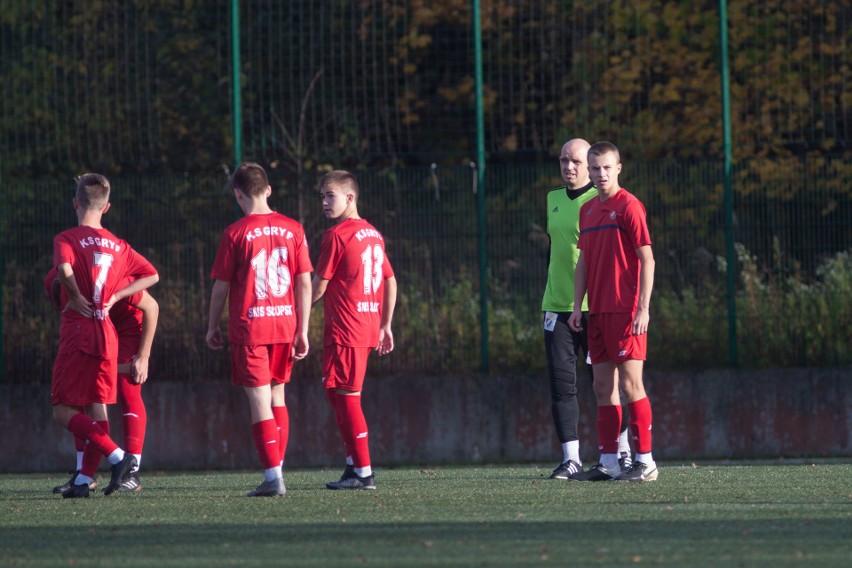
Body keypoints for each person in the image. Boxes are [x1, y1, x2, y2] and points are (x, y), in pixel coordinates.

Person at [206, 162, 312, 497]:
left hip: (251, 327)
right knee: (278, 396)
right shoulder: (294, 228)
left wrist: (212, 325)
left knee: (259, 400)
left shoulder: (235, 233)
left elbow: (221, 286)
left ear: (237, 194)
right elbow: (304, 282)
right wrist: (303, 329)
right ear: (268, 190)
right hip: (285, 324)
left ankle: (272, 477)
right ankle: (276, 472)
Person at [51, 173, 159, 498]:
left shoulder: (66, 238)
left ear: (75, 203)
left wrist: (74, 294)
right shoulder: (119, 246)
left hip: (80, 332)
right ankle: (84, 481)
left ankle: (118, 458)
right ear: (107, 206)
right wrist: (115, 295)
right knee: (98, 406)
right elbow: (152, 274)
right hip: (106, 332)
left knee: (63, 410)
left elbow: (63, 269)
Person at [541, 138, 632, 481]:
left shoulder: (602, 200)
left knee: (605, 385)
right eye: (564, 160)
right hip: (556, 307)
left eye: (577, 161)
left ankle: (620, 451)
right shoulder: (551, 199)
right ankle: (571, 458)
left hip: (597, 308)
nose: (570, 167)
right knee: (562, 385)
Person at [569, 141, 658, 482]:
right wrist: (578, 307)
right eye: (595, 169)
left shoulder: (630, 206)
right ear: (588, 171)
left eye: (607, 167)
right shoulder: (587, 210)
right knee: (602, 387)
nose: (600, 174)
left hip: (626, 312)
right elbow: (584, 264)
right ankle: (608, 462)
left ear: (618, 168)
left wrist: (643, 309)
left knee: (632, 385)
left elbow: (647, 259)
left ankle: (646, 461)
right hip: (598, 313)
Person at [312, 170, 397, 491]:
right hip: (362, 328)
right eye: (322, 196)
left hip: (347, 329)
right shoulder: (373, 234)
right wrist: (385, 324)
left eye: (330, 196)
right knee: (336, 394)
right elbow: (390, 279)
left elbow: (319, 286)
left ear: (350, 198)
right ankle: (352, 465)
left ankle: (364, 473)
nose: (324, 202)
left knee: (347, 398)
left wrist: (294, 315)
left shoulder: (337, 235)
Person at [47, 271, 159, 494]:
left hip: (126, 327)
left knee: (127, 386)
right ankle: (84, 474)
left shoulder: (111, 280)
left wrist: (143, 356)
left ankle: (131, 472)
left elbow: (152, 307)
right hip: (96, 327)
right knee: (79, 394)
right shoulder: (55, 280)